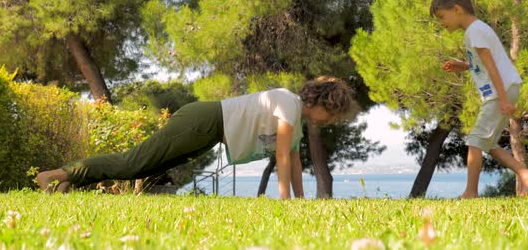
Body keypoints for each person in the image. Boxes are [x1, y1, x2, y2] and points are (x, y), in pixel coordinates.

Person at [37, 76, 357, 199]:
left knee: (141, 168)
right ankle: (56, 175)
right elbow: (284, 157)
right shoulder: (289, 103)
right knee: (134, 162)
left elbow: (296, 163)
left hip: (209, 131)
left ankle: (67, 182)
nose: (330, 121)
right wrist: (287, 202)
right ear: (322, 103)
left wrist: (299, 202)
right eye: (331, 114)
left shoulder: (296, 120)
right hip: (204, 120)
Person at [430, 0, 528, 198]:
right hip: (504, 89)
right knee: (487, 143)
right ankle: (527, 176)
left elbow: (492, 67)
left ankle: (470, 192)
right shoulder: (475, 30)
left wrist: (502, 99)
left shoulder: (475, 31)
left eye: (442, 17)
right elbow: (483, 63)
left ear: (457, 9)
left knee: (475, 140)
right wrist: (463, 65)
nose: (441, 23)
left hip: (501, 91)